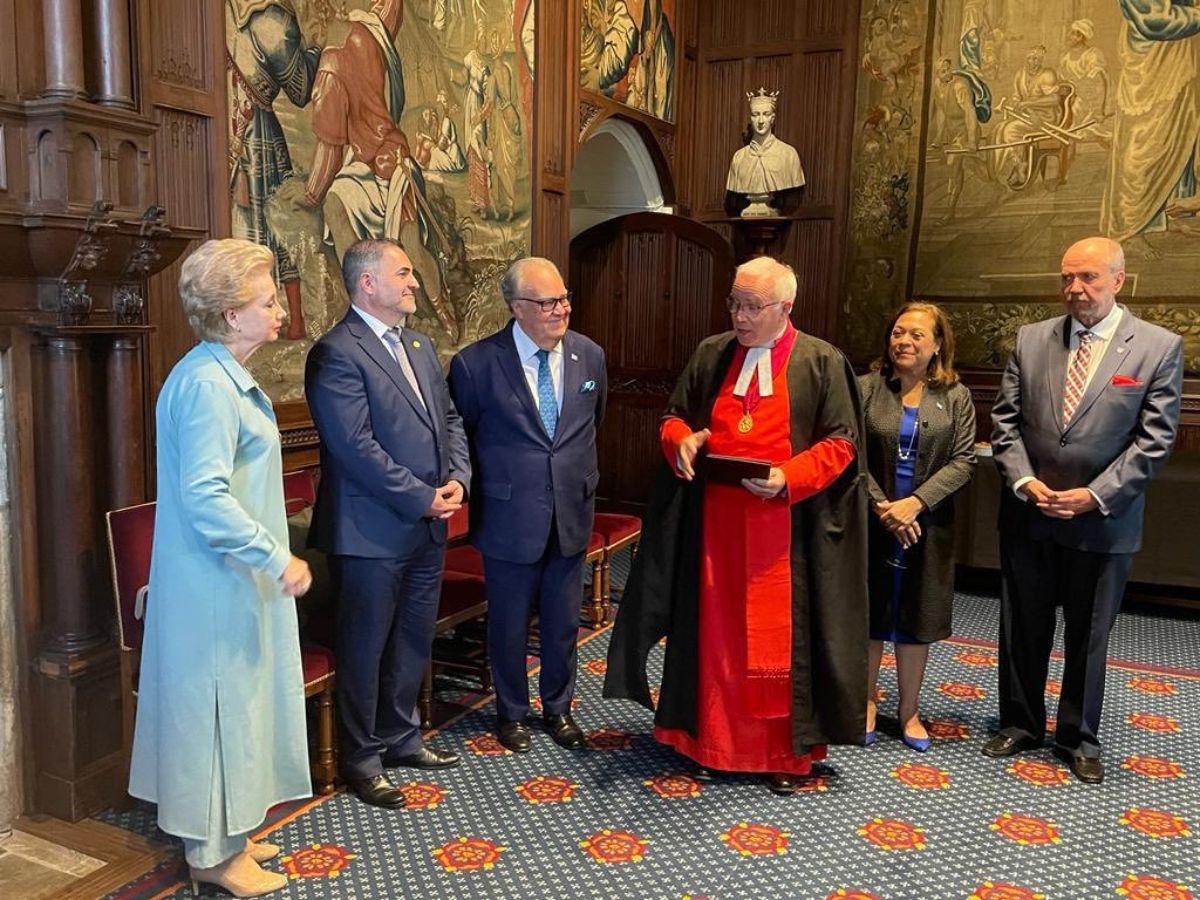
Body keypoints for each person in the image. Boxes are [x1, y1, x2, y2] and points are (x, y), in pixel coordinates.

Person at [604, 256, 869, 795]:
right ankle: (709, 746)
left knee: (774, 646)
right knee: (714, 643)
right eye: (734, 303)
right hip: (713, 535)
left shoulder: (821, 361)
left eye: (752, 306)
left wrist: (789, 477)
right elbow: (673, 417)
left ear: (785, 307)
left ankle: (781, 756)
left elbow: (843, 443)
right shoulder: (711, 353)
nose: (740, 317)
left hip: (786, 536)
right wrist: (680, 441)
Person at [128, 239, 313, 898]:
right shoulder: (208, 386)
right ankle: (211, 855)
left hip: (228, 577)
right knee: (214, 709)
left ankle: (227, 833)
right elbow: (207, 496)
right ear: (231, 314)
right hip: (215, 580)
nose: (280, 313)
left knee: (237, 705)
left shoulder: (219, 373)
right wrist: (277, 556)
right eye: (267, 302)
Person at [987, 236, 1183, 784]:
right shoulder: (1031, 340)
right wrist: (1025, 482)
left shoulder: (1157, 346)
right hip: (1030, 512)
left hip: (1103, 520)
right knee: (1022, 625)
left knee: (1088, 632)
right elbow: (1005, 423)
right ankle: (1021, 723)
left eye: (1089, 278)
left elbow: (1155, 440)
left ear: (1119, 280)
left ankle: (1078, 737)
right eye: (1068, 278)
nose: (1076, 289)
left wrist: (1094, 494)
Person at [305, 239, 470, 808]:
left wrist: (457, 482)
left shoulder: (420, 345)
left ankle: (401, 737)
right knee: (365, 645)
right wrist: (421, 496)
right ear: (367, 283)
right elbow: (354, 448)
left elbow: (448, 418)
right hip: (369, 531)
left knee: (411, 638)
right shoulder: (336, 352)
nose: (415, 283)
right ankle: (361, 756)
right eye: (404, 273)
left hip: (426, 524)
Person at [448, 258, 607, 754]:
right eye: (547, 303)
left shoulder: (589, 356)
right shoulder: (475, 365)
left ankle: (558, 708)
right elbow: (464, 435)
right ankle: (511, 712)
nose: (561, 310)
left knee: (563, 622)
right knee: (509, 622)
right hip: (508, 515)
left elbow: (592, 423)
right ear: (517, 307)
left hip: (571, 510)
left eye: (564, 298)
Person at [859, 302, 976, 752]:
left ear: (938, 345)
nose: (903, 342)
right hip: (874, 522)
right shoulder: (867, 388)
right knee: (871, 613)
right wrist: (885, 508)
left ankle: (909, 710)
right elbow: (850, 452)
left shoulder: (956, 395)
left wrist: (915, 504)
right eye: (897, 333)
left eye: (916, 336)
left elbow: (965, 460)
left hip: (927, 526)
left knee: (916, 617)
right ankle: (866, 701)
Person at [226, 0, 321, 341]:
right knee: (278, 231)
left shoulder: (223, 14)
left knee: (246, 233)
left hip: (228, 129)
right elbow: (300, 88)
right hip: (258, 132)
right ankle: (293, 322)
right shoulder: (269, 17)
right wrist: (315, 43)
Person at [726, 90, 806, 216]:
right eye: (756, 114)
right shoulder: (739, 158)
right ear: (750, 118)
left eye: (766, 114)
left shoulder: (788, 155)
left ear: (772, 118)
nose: (761, 120)